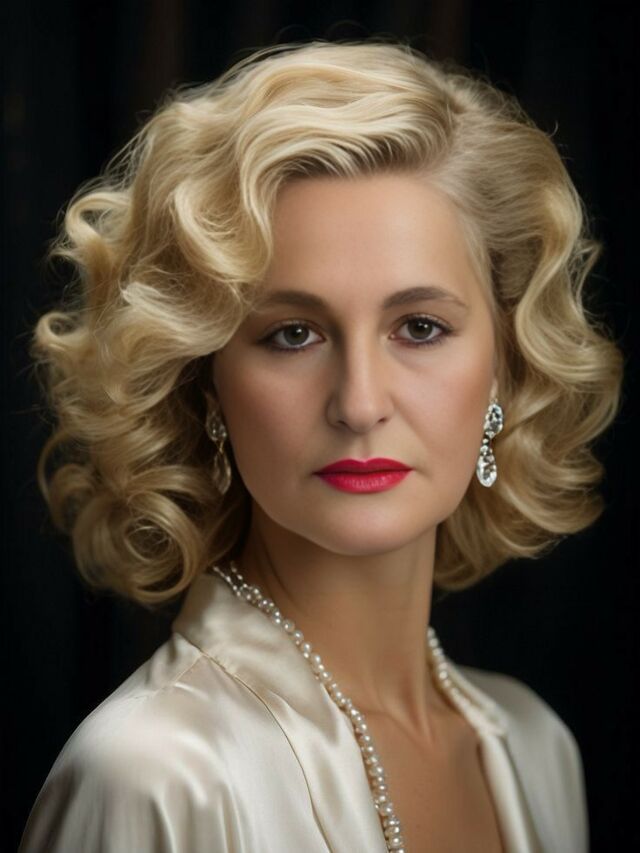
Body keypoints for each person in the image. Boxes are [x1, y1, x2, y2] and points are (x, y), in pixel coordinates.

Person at [19, 38, 623, 853]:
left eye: (420, 327)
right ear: (208, 386)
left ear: (505, 366)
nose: (360, 404)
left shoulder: (536, 748)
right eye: (293, 333)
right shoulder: (153, 777)